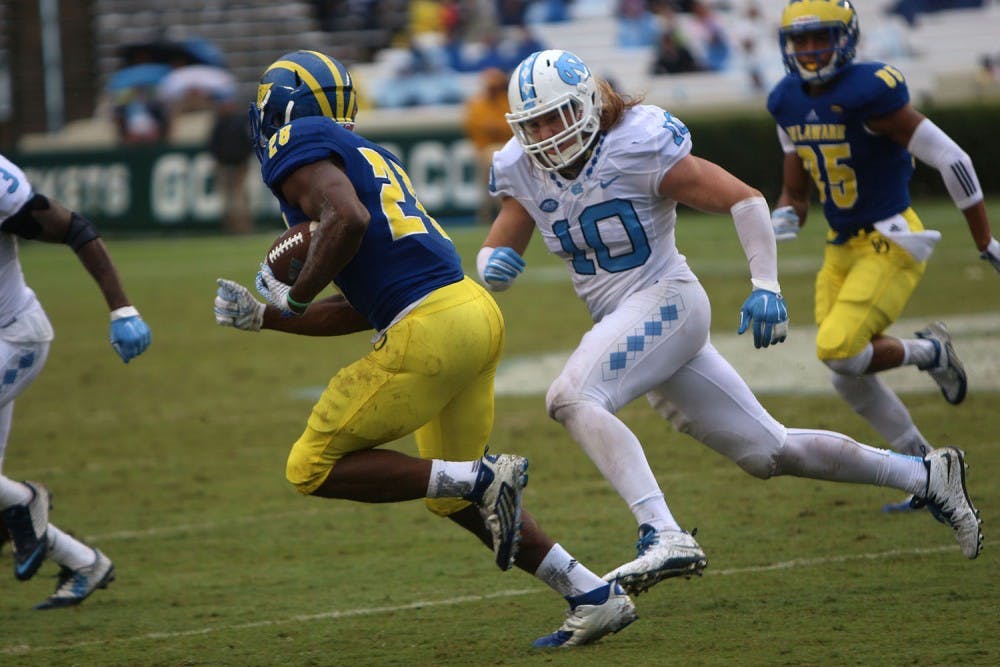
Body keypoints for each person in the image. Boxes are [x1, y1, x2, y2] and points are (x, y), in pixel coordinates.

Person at [477, 48, 983, 597]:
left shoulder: (635, 144)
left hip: (666, 298)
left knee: (571, 396)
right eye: (532, 123)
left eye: (554, 116)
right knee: (770, 452)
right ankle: (928, 475)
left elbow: (745, 200)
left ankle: (663, 532)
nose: (546, 133)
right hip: (625, 318)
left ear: (588, 104)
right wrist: (491, 264)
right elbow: (509, 229)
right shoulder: (520, 165)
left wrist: (765, 285)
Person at [213, 50, 637, 648]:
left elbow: (348, 218)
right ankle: (590, 593)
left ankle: (483, 477)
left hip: (430, 332)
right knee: (454, 493)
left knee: (310, 467)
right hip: (469, 314)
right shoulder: (371, 157)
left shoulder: (300, 140)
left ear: (282, 111)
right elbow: (367, 304)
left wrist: (297, 291)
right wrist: (268, 317)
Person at [765, 0, 999, 512]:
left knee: (840, 351)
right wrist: (786, 212)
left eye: (819, 37)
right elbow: (796, 192)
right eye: (800, 40)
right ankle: (926, 473)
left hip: (892, 238)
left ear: (846, 38)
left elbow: (951, 157)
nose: (809, 49)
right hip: (842, 244)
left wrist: (984, 241)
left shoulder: (871, 92)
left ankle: (930, 352)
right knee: (844, 375)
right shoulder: (785, 100)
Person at [0, 153, 152, 609]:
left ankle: (26, 502)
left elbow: (73, 227)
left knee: (11, 501)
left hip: (14, 336)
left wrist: (122, 309)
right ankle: (85, 562)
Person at [463, 67, 512, 225]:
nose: (493, 90)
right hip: (484, 150)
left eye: (496, 86)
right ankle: (488, 214)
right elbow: (473, 125)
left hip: (507, 149)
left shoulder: (507, 100)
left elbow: (511, 127)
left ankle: (505, 211)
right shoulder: (477, 103)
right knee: (489, 165)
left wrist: (495, 126)